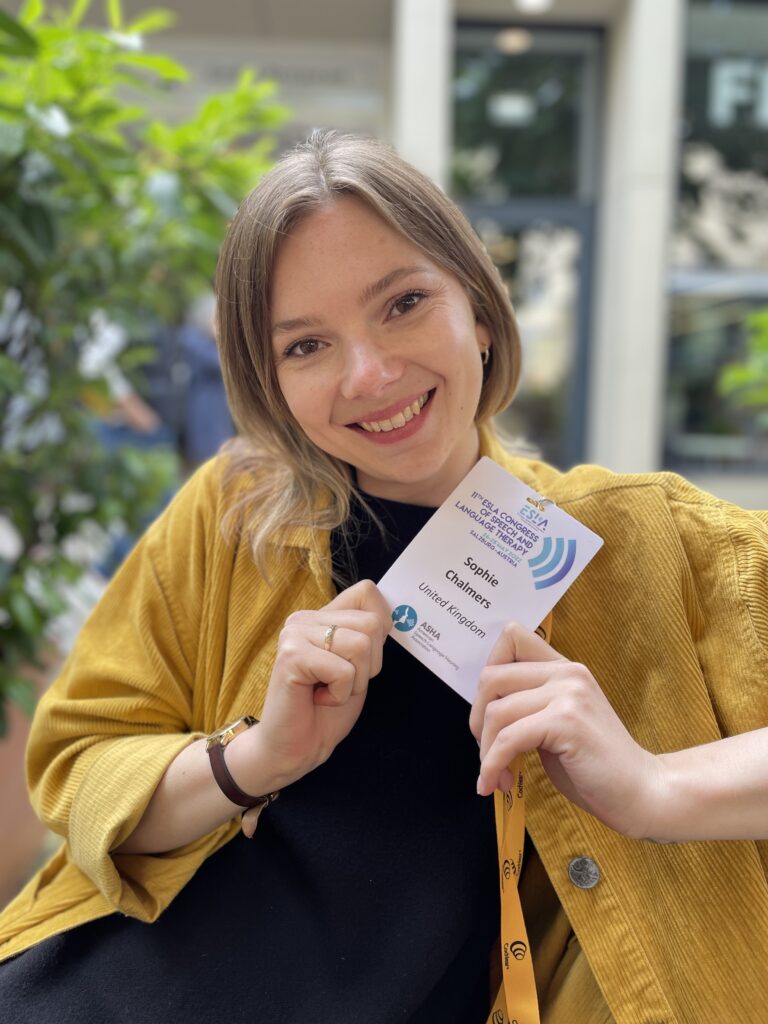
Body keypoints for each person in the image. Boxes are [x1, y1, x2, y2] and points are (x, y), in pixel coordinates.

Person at [0, 130, 767, 1024]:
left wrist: (651, 788)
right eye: (305, 346)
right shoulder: (233, 517)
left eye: (403, 303)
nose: (369, 374)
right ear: (270, 381)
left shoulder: (640, 539)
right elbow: (80, 760)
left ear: (479, 312)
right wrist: (256, 758)